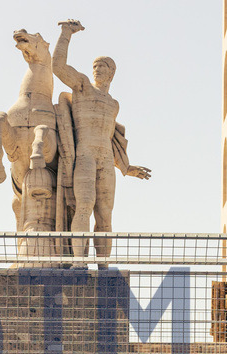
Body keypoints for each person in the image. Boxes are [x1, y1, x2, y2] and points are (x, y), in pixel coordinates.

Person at [53, 19, 151, 258]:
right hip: (84, 155)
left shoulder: (113, 104)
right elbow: (57, 66)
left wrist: (126, 168)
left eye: (103, 65)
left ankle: (105, 268)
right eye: (95, 65)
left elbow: (112, 139)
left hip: (106, 159)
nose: (97, 68)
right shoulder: (83, 86)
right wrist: (66, 34)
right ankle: (78, 263)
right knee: (84, 206)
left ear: (112, 72)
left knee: (105, 216)